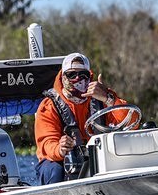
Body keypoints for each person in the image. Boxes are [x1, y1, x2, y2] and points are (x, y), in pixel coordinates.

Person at [34, 52, 130, 184]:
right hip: (61, 161)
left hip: (97, 158)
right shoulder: (49, 106)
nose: (78, 79)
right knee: (54, 169)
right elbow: (46, 143)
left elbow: (130, 122)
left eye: (83, 75)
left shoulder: (103, 97)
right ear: (63, 77)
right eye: (72, 75)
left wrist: (108, 98)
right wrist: (59, 149)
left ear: (90, 77)